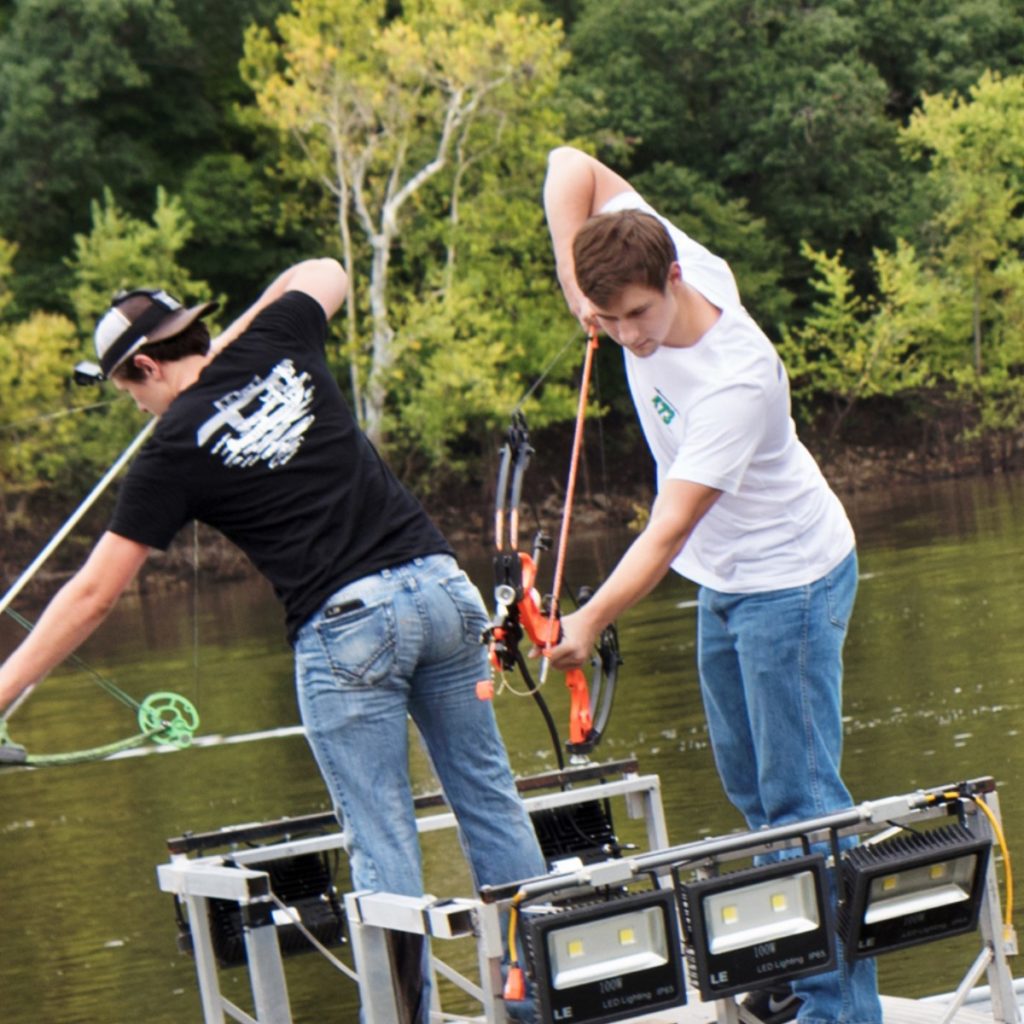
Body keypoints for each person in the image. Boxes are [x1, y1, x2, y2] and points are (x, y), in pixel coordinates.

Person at [0, 258, 546, 1020]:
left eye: (129, 389)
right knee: (491, 799)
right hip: (442, 588)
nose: (136, 408)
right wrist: (237, 339)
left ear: (148, 365)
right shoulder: (280, 339)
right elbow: (324, 270)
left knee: (381, 840)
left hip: (348, 625)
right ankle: (545, 1000)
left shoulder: (169, 451)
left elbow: (93, 595)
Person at [541, 146, 882, 1024]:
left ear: (675, 276)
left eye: (638, 316)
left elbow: (665, 532)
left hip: (792, 578)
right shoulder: (637, 251)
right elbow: (569, 163)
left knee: (801, 800)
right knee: (748, 787)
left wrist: (586, 618)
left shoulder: (735, 376)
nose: (629, 336)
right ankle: (795, 960)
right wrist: (571, 281)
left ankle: (840, 1010)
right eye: (610, 320)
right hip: (725, 578)